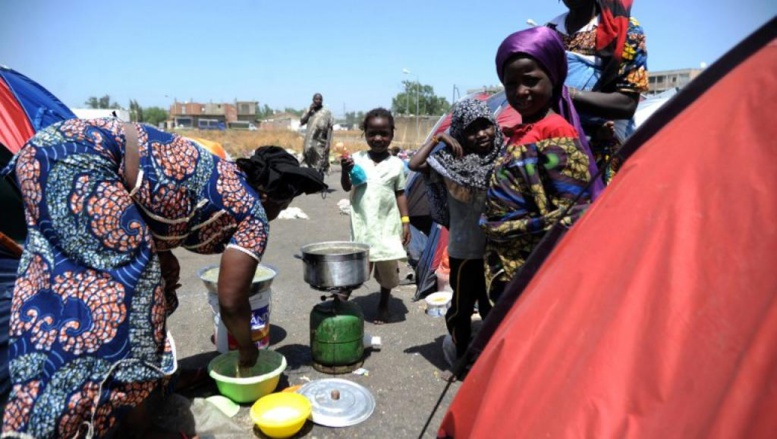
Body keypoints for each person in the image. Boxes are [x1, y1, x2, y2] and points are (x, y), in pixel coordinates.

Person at [0, 118, 326, 438]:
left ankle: (138, 385)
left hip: (45, 152)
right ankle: (128, 417)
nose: (278, 215)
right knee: (129, 307)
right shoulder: (254, 211)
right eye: (282, 207)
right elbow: (231, 300)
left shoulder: (227, 175)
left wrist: (162, 255)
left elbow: (162, 200)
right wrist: (248, 349)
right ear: (271, 196)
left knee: (65, 293)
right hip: (85, 162)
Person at [483, 26, 598, 301]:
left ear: (553, 79)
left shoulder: (555, 131)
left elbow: (573, 214)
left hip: (535, 271)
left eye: (531, 81)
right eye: (511, 84)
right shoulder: (519, 133)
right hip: (512, 268)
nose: (521, 91)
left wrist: (508, 232)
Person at [408, 98, 503, 371]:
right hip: (463, 250)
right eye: (472, 129)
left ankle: (491, 357)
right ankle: (461, 358)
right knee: (461, 308)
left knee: (492, 305)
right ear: (460, 132)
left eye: (486, 126)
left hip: (496, 250)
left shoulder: (502, 157)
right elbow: (415, 165)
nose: (482, 134)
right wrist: (438, 138)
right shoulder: (449, 164)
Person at [546, 0, 648, 182]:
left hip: (604, 155)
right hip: (558, 148)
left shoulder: (625, 29)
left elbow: (626, 104)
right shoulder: (549, 32)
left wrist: (568, 94)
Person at [340, 108, 410, 324]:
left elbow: (400, 193)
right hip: (363, 223)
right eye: (372, 133)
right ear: (365, 133)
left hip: (388, 224)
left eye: (384, 134)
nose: (378, 138)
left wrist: (405, 221)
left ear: (392, 134)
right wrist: (345, 170)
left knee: (387, 267)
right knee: (360, 265)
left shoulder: (397, 165)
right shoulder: (356, 159)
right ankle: (341, 301)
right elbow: (346, 186)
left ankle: (383, 303)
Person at [300, 93, 334, 175]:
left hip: (321, 141)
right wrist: (309, 112)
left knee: (320, 161)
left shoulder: (327, 112)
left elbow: (330, 128)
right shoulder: (309, 110)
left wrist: (328, 143)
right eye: (316, 99)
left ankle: (320, 180)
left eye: (320, 99)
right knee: (308, 160)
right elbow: (302, 121)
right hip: (309, 141)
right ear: (313, 100)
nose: (318, 101)